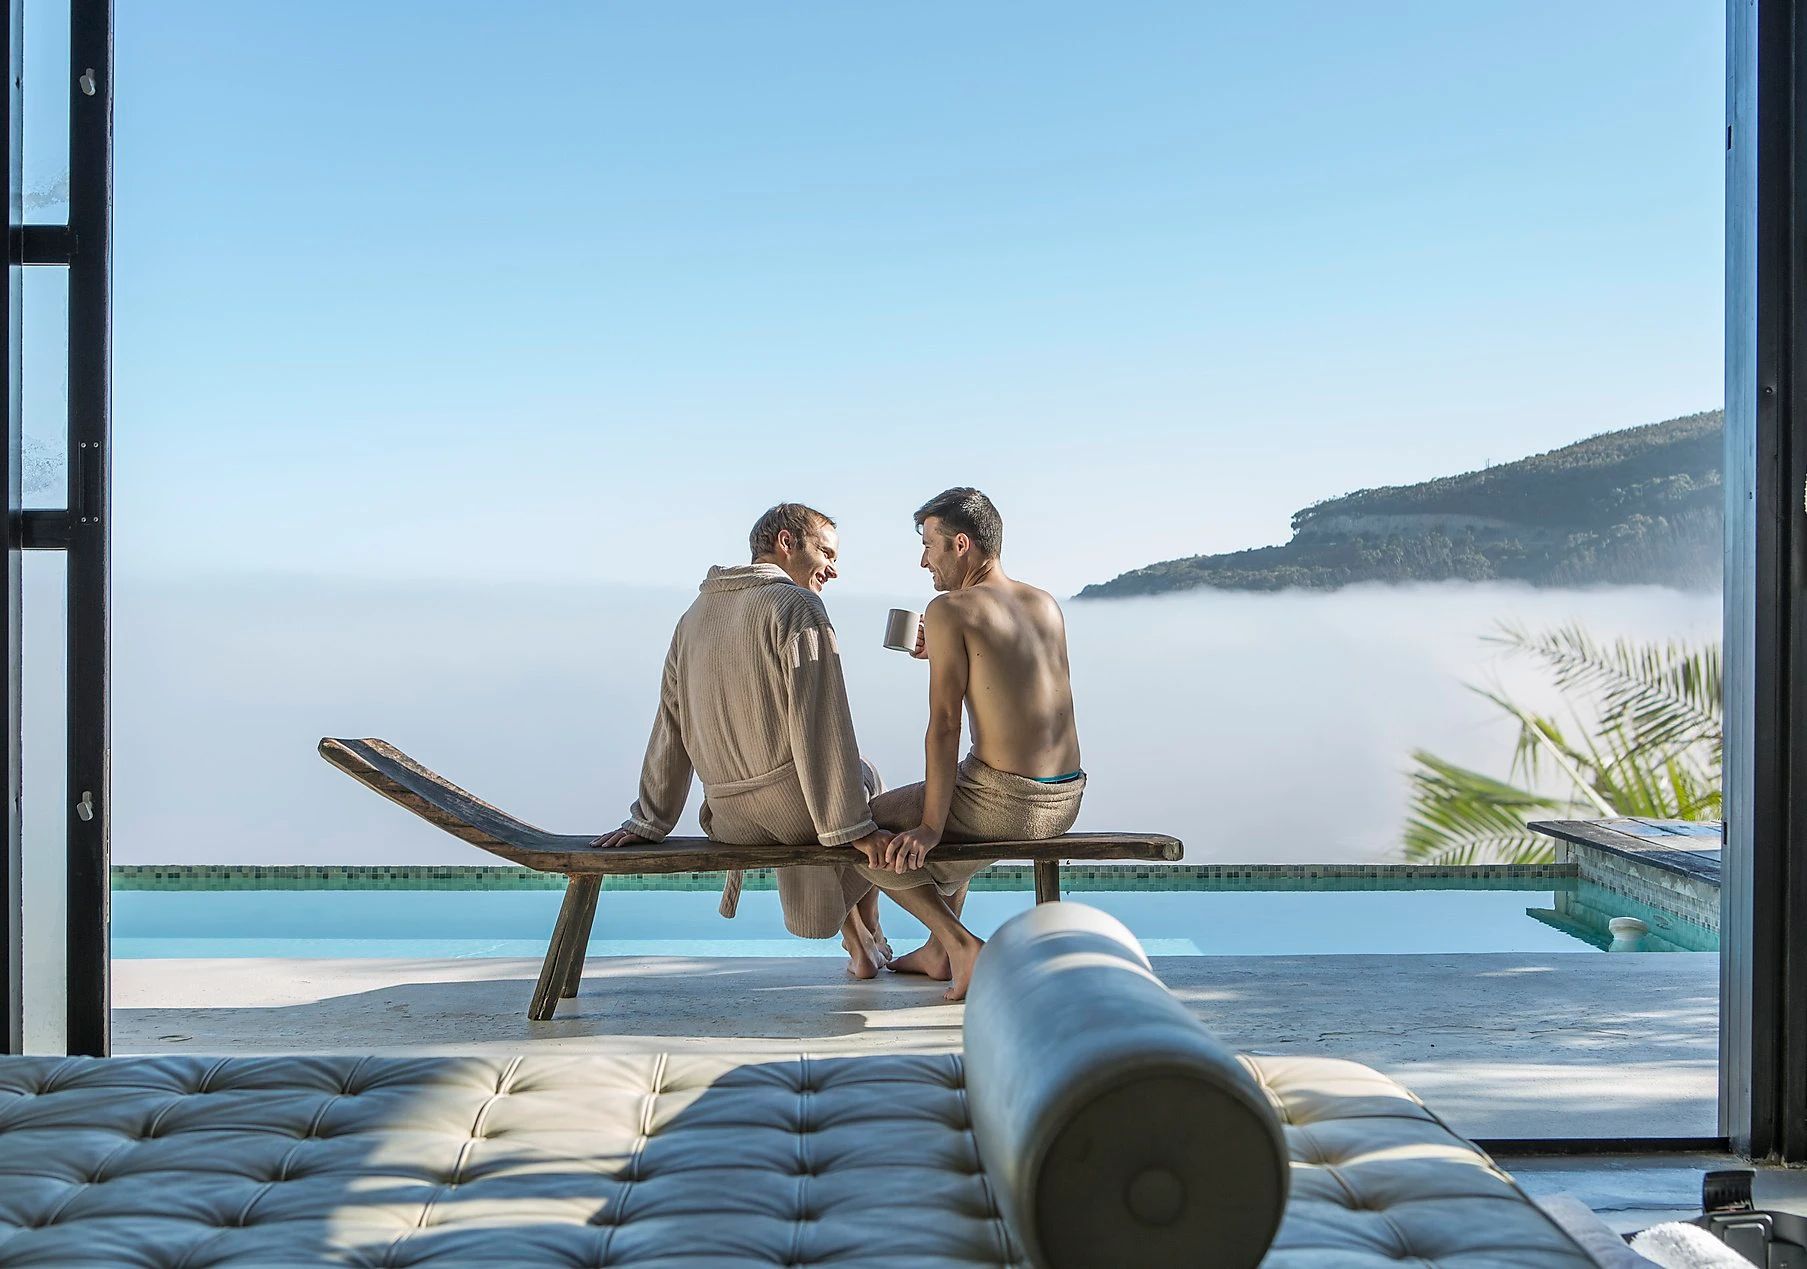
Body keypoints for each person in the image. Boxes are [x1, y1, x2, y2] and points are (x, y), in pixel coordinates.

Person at [591, 503, 895, 978]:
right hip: (797, 816)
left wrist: (650, 819)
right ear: (786, 542)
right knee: (864, 776)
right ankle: (868, 927)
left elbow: (670, 723)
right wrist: (850, 829)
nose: (834, 569)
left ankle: (860, 941)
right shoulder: (796, 606)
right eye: (826, 552)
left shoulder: (691, 618)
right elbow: (821, 727)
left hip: (729, 818)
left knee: (839, 789)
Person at [857, 487, 1085, 1001]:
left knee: (857, 831)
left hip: (1007, 803)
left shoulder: (949, 609)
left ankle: (959, 944)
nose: (923, 560)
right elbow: (1012, 680)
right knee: (960, 778)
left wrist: (931, 827)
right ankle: (938, 952)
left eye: (929, 544)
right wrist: (941, 654)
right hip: (1064, 798)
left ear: (961, 545)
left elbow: (943, 725)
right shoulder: (1044, 603)